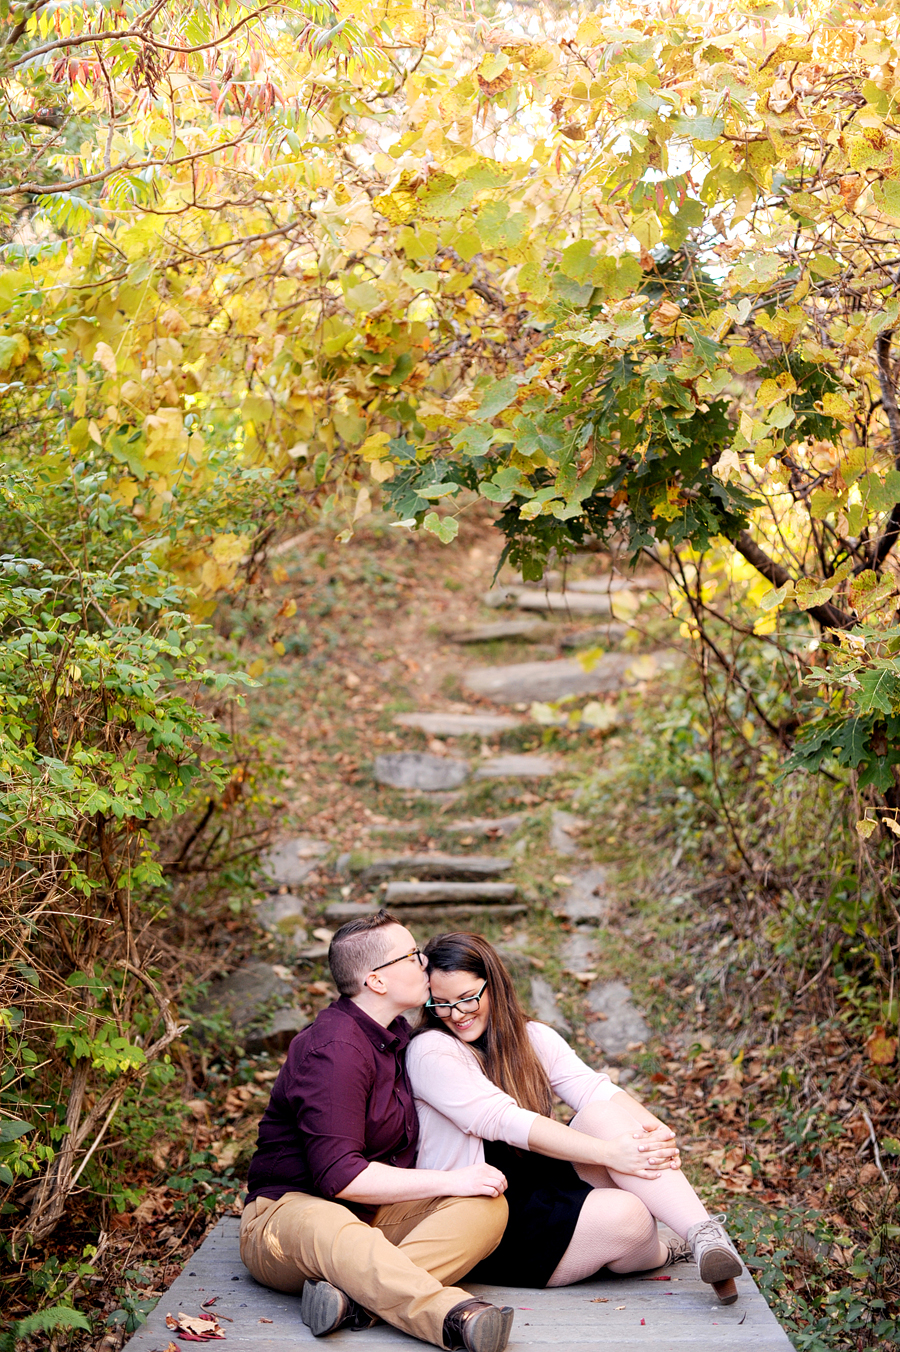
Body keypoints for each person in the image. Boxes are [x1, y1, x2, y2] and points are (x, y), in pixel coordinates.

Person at [407, 932, 743, 1304]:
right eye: (441, 1004)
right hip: (491, 1213)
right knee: (629, 1217)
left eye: (468, 998)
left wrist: (657, 1132)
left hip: (543, 1178)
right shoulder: (430, 1050)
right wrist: (608, 1153)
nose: (456, 1014)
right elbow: (503, 1120)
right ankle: (666, 1250)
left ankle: (705, 1237)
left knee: (602, 1114)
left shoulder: (531, 1037)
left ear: (495, 987)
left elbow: (592, 1088)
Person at [240, 911, 515, 1352]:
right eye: (411, 956)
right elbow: (341, 1178)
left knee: (486, 1207)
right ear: (376, 982)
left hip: (369, 1218)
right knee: (328, 1219)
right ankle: (450, 1318)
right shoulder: (334, 1049)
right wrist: (450, 1178)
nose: (425, 962)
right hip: (287, 1218)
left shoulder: (394, 1036)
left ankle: (351, 1302)